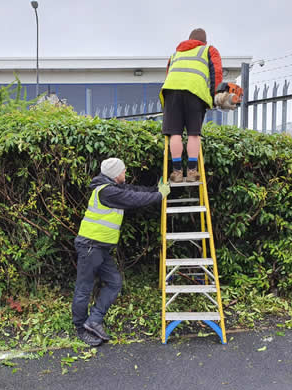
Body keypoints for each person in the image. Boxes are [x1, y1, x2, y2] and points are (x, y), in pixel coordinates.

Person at [72, 157, 171, 346]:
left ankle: (94, 320)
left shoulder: (112, 187)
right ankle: (80, 328)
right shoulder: (107, 191)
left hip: (100, 247)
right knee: (84, 288)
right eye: (123, 171)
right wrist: (159, 196)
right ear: (115, 174)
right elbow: (133, 199)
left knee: (114, 282)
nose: (125, 173)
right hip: (90, 246)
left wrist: (156, 189)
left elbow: (134, 191)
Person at [160, 28, 223, 183]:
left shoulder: (175, 54)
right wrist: (215, 95)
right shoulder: (208, 50)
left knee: (175, 133)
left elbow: (169, 74)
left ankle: (177, 173)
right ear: (204, 41)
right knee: (193, 134)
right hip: (194, 93)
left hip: (171, 92)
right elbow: (216, 72)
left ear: (188, 40)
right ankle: (192, 171)